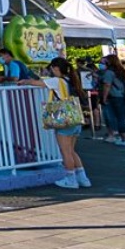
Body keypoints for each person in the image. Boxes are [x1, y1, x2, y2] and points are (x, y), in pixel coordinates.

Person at [28, 57, 91, 189]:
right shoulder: (71, 80)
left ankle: (71, 179)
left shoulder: (57, 81)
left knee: (65, 152)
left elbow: (35, 82)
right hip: (75, 119)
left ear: (56, 68)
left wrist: (23, 81)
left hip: (64, 120)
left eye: (52, 68)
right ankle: (83, 178)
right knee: (72, 151)